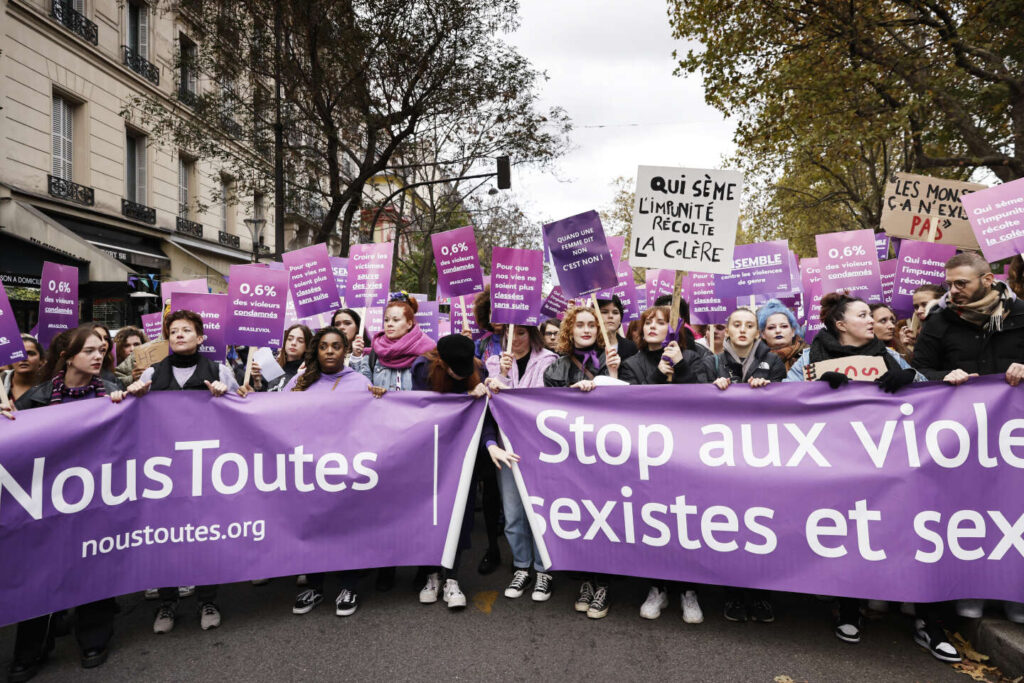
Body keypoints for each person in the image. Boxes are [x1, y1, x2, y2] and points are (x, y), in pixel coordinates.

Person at [785, 293, 933, 652]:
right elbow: (786, 397)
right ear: (841, 324)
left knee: (880, 529)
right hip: (835, 459)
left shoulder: (890, 355)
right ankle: (848, 608)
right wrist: (816, 388)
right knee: (845, 531)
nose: (873, 320)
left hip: (882, 458)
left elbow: (930, 393)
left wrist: (908, 379)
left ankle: (912, 610)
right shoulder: (810, 357)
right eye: (863, 315)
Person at [910, 252, 1024, 634]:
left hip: (1013, 440)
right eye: (949, 284)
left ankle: (1014, 593)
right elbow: (918, 370)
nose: (953, 291)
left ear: (988, 280)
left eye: (962, 283)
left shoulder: (1021, 315)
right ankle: (971, 590)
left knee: (1014, 510)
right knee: (968, 512)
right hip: (960, 437)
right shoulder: (939, 322)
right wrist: (946, 375)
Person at [4, 325, 125, 681]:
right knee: (41, 572)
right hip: (47, 502)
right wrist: (7, 418)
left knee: (93, 567)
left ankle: (94, 639)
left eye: (101, 349)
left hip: (98, 498)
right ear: (68, 356)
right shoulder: (36, 399)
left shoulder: (112, 392)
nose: (98, 355)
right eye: (89, 350)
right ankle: (30, 650)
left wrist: (130, 400)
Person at [125, 310, 251, 635]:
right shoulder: (153, 373)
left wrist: (226, 395)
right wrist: (134, 395)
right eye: (174, 330)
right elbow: (131, 414)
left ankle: (207, 599)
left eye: (186, 330)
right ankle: (167, 602)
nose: (179, 334)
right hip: (163, 472)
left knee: (204, 534)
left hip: (205, 469)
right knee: (164, 538)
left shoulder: (218, 370)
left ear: (200, 338)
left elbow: (242, 406)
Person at [619, 305, 708, 624]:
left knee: (686, 522)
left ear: (675, 329)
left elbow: (701, 399)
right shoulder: (631, 364)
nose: (653, 327)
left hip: (686, 453)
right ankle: (657, 587)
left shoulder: (693, 358)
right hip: (650, 455)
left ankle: (689, 590)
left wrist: (681, 368)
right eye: (648, 323)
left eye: (661, 322)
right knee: (656, 521)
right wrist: (661, 371)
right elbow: (637, 404)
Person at [287, 327, 385, 616]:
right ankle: (316, 588)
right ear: (316, 350)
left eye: (336, 347)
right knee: (313, 527)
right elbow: (275, 412)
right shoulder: (300, 381)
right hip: (309, 469)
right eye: (324, 347)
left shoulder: (359, 382)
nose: (330, 351)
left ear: (345, 351)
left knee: (347, 528)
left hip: (346, 469)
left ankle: (348, 586)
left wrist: (380, 399)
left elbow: (374, 421)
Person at [412, 334, 507, 609]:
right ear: (441, 362)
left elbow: (483, 414)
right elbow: (425, 407)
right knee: (431, 513)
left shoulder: (479, 368)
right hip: (431, 453)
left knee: (462, 513)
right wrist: (466, 395)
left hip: (465, 453)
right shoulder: (422, 368)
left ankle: (452, 578)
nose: (460, 374)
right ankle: (431, 574)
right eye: (455, 370)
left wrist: (490, 444)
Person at [349, 293, 435, 590]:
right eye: (386, 320)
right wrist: (360, 363)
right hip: (384, 442)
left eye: (396, 320)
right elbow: (361, 387)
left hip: (418, 443)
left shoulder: (429, 352)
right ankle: (387, 564)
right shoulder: (375, 352)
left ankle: (424, 567)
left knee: (420, 508)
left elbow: (437, 393)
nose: (389, 324)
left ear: (410, 323)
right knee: (386, 507)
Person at [705, 307, 784, 623]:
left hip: (761, 455)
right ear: (726, 329)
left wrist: (770, 390)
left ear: (757, 332)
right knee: (729, 525)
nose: (742, 330)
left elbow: (788, 403)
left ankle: (762, 594)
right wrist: (715, 388)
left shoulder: (773, 361)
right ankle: (733, 593)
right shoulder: (712, 362)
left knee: (762, 524)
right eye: (736, 324)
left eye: (749, 325)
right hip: (723, 456)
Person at [543, 306, 621, 618]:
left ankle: (604, 585)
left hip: (606, 458)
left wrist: (611, 379)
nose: (586, 330)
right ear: (569, 331)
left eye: (592, 324)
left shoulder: (613, 361)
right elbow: (547, 415)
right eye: (580, 325)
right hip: (572, 458)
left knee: (606, 519)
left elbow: (630, 410)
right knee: (581, 519)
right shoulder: (555, 370)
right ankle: (585, 581)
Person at [484, 325, 558, 602]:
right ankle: (522, 566)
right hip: (507, 450)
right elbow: (492, 407)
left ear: (532, 335)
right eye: (509, 336)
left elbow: (540, 403)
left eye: (521, 334)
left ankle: (543, 569)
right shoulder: (494, 362)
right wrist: (501, 375)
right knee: (513, 515)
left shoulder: (549, 361)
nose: (514, 340)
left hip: (540, 451)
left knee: (539, 513)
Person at [757, 299, 806, 371]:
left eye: (784, 326)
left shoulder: (807, 356)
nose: (778, 331)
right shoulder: (753, 359)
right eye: (771, 327)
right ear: (763, 334)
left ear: (793, 331)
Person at [1, 335, 44, 404]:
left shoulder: (53, 385)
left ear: (41, 360)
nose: (24, 358)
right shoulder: (1, 381)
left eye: (30, 353)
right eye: (18, 353)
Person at [268, 324, 312, 391]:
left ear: (307, 347)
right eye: (290, 339)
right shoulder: (273, 367)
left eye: (300, 341)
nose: (293, 343)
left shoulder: (307, 372)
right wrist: (257, 384)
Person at [596, 295, 638, 360]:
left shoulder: (631, 347)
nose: (610, 316)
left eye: (615, 313)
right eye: (604, 312)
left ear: (620, 318)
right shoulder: (589, 347)